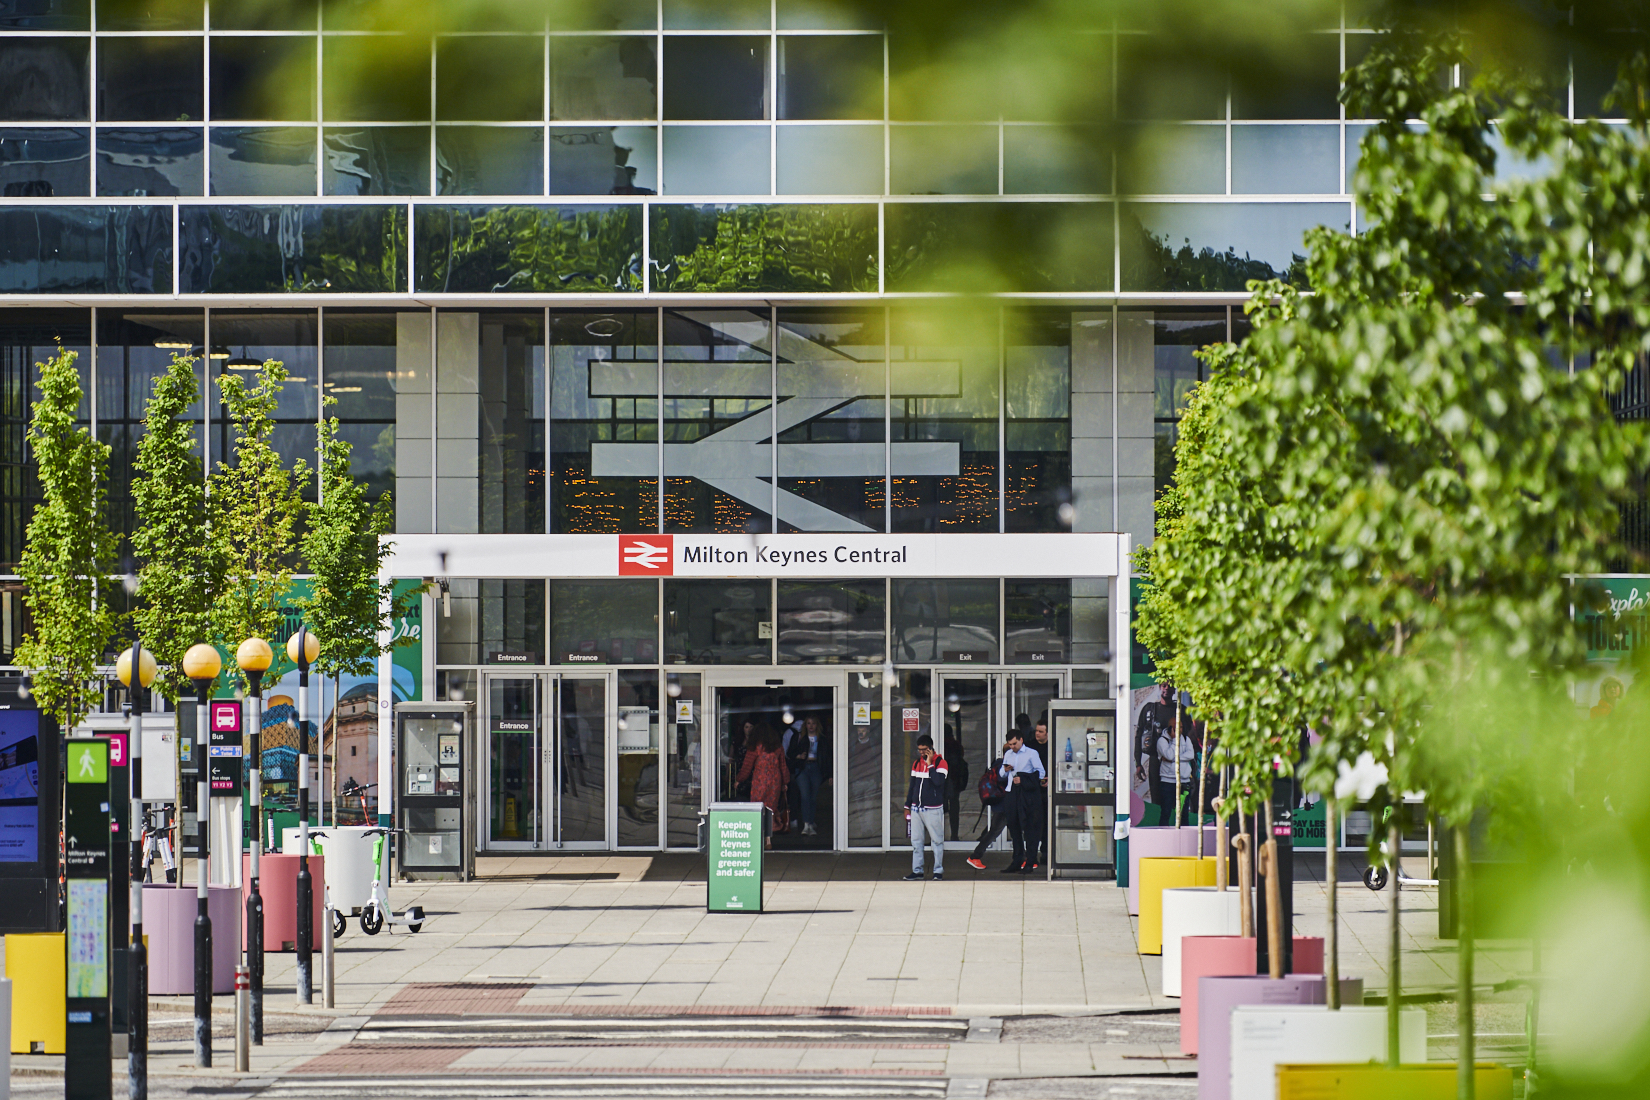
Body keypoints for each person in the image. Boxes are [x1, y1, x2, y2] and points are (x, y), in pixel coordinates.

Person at [999, 730, 1047, 873]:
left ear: (1021, 740)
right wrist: (1006, 769)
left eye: (1014, 743)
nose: (1012, 747)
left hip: (1027, 794)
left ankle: (1030, 861)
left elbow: (1041, 772)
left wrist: (1024, 778)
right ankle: (1017, 859)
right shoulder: (1008, 754)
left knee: (1030, 828)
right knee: (1014, 827)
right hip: (1011, 792)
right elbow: (1001, 774)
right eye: (1010, 744)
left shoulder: (1031, 753)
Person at [735, 723, 790, 847]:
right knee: (770, 808)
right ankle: (768, 839)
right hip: (775, 780)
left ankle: (758, 837)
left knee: (757, 808)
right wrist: (785, 782)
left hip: (760, 780)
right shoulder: (778, 747)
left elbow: (747, 766)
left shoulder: (755, 747)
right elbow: (783, 766)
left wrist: (739, 779)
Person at [903, 734, 949, 880]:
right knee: (916, 841)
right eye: (919, 750)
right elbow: (912, 787)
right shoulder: (916, 763)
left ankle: (938, 871)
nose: (921, 753)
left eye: (924, 750)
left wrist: (930, 765)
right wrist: (907, 805)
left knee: (937, 840)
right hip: (917, 808)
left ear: (930, 748)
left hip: (933, 808)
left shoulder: (941, 763)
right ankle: (917, 871)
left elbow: (938, 782)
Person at [966, 740, 1011, 870]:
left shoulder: (997, 763)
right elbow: (1003, 780)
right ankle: (975, 856)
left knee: (1011, 831)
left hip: (1002, 804)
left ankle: (1024, 858)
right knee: (996, 831)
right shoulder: (1003, 766)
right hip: (1003, 805)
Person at [787, 714, 831, 837]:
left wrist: (830, 774)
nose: (811, 726)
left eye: (813, 723)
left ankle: (811, 822)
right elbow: (790, 752)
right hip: (803, 768)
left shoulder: (821, 739)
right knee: (805, 796)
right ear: (805, 725)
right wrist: (799, 756)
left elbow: (827, 757)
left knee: (813, 797)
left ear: (817, 725)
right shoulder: (799, 737)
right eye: (808, 723)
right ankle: (807, 825)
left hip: (816, 767)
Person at [1153, 719, 1195, 826]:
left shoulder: (1186, 739)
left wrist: (1175, 759)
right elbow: (1169, 755)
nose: (1180, 730)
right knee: (1166, 812)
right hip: (1168, 782)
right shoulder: (1162, 741)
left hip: (1184, 781)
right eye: (1177, 727)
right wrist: (1174, 740)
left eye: (1181, 727)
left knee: (1184, 813)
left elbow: (1191, 755)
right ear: (1170, 728)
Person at [1026, 717, 1052, 869]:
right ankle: (1031, 855)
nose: (1037, 734)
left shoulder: (1053, 746)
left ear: (1048, 733)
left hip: (1048, 791)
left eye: (1041, 732)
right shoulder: (1030, 747)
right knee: (1034, 824)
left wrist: (1051, 779)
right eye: (1036, 731)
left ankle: (1045, 852)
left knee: (1047, 823)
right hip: (1033, 791)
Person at [943, 722, 968, 840]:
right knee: (954, 809)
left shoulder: (942, 744)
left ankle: (937, 835)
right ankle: (954, 834)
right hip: (955, 779)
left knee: (939, 808)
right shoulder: (956, 744)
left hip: (945, 780)